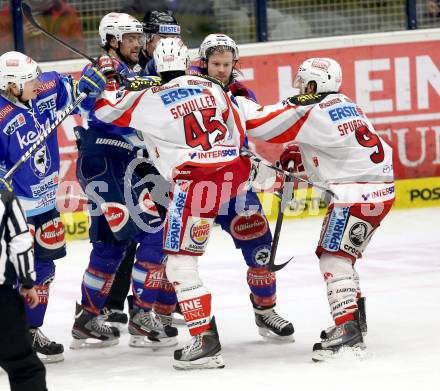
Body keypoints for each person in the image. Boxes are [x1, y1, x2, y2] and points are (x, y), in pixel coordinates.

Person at [71, 12, 178, 350]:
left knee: (111, 245)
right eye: (131, 38)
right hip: (104, 162)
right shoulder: (100, 69)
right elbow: (85, 101)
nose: (139, 43)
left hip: (118, 166)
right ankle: (142, 313)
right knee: (155, 232)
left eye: (139, 38)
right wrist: (87, 86)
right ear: (114, 40)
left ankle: (87, 318)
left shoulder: (133, 71)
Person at [278, 58, 395, 361]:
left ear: (314, 85)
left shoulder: (313, 108)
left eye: (304, 82)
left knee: (334, 257)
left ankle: (347, 332)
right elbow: (329, 145)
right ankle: (355, 320)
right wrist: (299, 151)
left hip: (356, 193)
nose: (300, 87)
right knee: (345, 255)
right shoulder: (345, 104)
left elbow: (264, 125)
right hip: (378, 191)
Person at [0, 51, 105, 363]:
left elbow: (80, 94)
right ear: (11, 86)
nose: (36, 83)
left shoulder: (45, 86)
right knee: (12, 274)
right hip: (14, 209)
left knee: (43, 270)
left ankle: (31, 330)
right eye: (28, 81)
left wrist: (91, 83)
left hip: (46, 202)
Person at [193, 33, 294, 341]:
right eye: (215, 63)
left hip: (235, 186)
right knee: (176, 256)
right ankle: (154, 313)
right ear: (203, 63)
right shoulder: (188, 89)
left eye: (226, 63)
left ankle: (266, 312)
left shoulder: (241, 92)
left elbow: (254, 129)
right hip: (195, 186)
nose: (221, 69)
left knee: (260, 247)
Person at [101, 10, 183, 328]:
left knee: (162, 231)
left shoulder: (165, 65)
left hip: (157, 161)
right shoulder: (126, 68)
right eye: (161, 37)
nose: (167, 44)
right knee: (128, 234)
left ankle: (154, 302)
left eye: (172, 38)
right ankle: (113, 303)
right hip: (129, 162)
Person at [0, 185, 47, 391]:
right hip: (1, 298)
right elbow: (21, 241)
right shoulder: (6, 199)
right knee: (24, 367)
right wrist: (27, 282)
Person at [0, 0, 85, 62]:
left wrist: (73, 69)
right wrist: (20, 35)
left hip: (61, 70)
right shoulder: (9, 13)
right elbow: (2, 51)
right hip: (24, 73)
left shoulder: (66, 12)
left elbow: (78, 46)